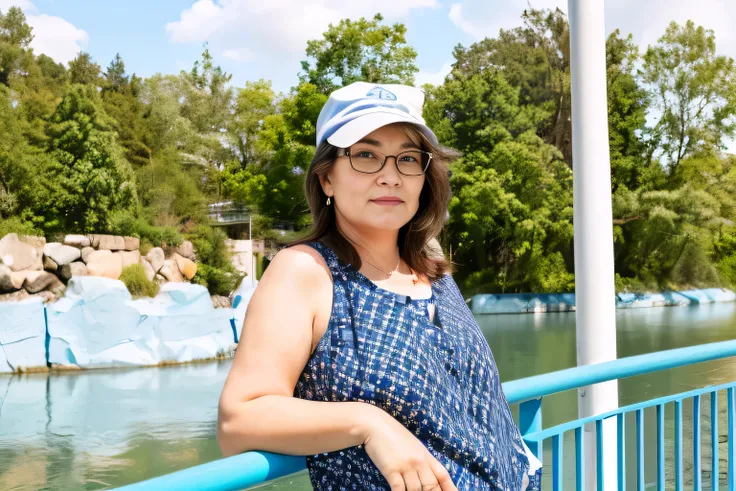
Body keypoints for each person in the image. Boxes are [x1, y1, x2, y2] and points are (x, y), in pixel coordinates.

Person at [217, 82, 542, 490]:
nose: (391, 177)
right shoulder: (306, 271)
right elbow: (239, 419)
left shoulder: (435, 276)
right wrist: (368, 423)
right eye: (366, 155)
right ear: (326, 179)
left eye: (408, 159)